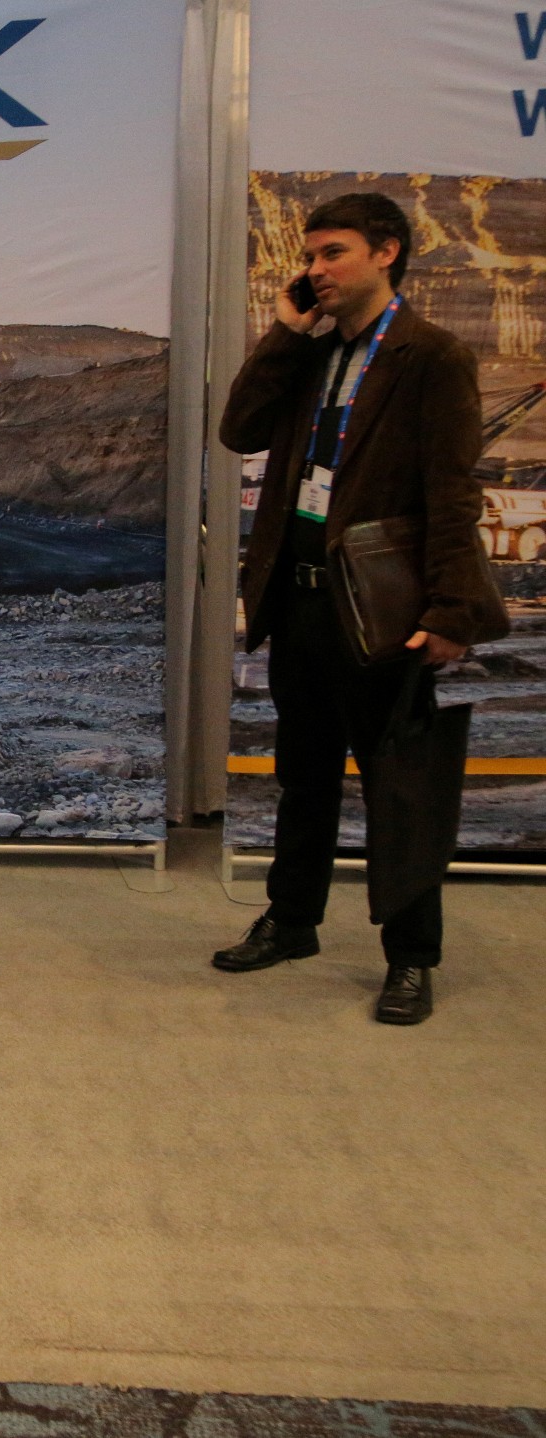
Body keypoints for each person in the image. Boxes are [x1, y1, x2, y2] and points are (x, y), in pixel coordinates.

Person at [215, 192, 509, 1024]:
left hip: (382, 613)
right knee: (303, 777)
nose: (316, 270)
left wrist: (452, 612)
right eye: (310, 257)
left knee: (398, 790)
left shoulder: (431, 357)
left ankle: (411, 956)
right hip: (300, 600)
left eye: (333, 253)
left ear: (387, 253)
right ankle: (292, 921)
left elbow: (452, 493)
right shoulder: (312, 352)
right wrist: (284, 332)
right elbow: (240, 429)